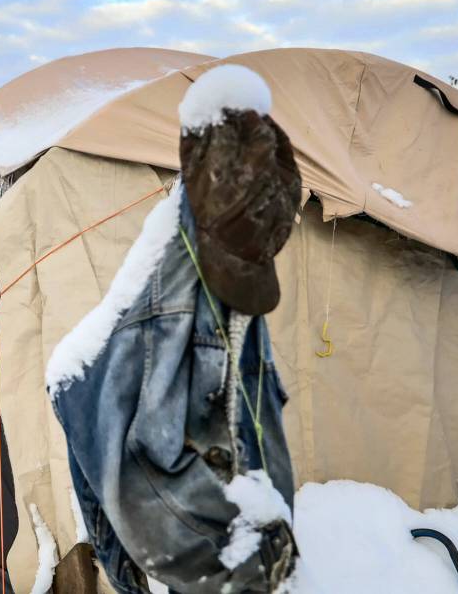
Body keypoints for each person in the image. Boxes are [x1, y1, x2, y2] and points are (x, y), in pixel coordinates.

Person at [47, 65, 300, 592]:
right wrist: (239, 570)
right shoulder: (159, 315)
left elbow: (252, 416)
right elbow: (140, 473)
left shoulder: (226, 287)